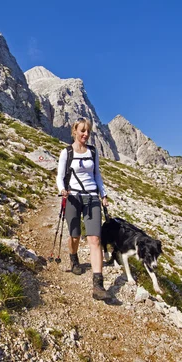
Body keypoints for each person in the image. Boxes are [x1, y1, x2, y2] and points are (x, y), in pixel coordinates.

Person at [56, 118, 111, 301]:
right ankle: (73, 258)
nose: (85, 134)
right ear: (75, 131)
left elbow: (97, 175)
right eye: (82, 131)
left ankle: (98, 284)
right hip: (72, 197)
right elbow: (60, 176)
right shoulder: (66, 152)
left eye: (88, 131)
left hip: (91, 197)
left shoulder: (93, 152)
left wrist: (103, 194)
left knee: (94, 238)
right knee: (75, 235)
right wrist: (61, 190)